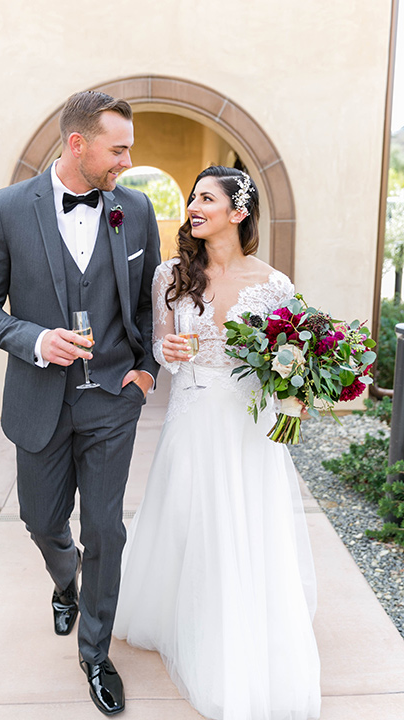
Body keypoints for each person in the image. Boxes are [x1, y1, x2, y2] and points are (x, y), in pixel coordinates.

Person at [0, 90, 161, 716]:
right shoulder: (7, 209)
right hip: (38, 398)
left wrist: (147, 371)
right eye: (118, 147)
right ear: (78, 144)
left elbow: (151, 302)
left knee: (106, 527)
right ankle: (65, 579)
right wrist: (37, 339)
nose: (127, 159)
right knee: (43, 522)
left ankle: (96, 653)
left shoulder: (135, 209)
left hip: (113, 399)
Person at [114, 165, 321, 720]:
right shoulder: (169, 276)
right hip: (193, 413)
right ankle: (186, 614)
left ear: (239, 210)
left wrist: (293, 405)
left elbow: (297, 360)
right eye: (192, 198)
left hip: (249, 427)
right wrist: (169, 354)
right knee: (190, 518)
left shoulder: (275, 283)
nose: (194, 207)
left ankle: (242, 615)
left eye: (207, 198)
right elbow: (159, 343)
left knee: (245, 520)